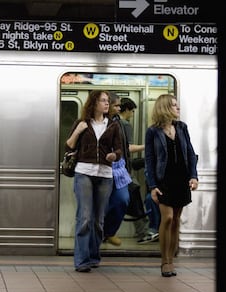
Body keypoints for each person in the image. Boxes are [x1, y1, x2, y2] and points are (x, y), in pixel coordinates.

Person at [65, 90, 122, 272]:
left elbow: (120, 150)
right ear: (94, 103)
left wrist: (114, 155)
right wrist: (79, 131)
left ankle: (93, 256)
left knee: (98, 220)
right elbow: (69, 145)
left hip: (105, 174)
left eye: (108, 101)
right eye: (103, 101)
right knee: (85, 217)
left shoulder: (113, 126)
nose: (107, 104)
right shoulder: (82, 123)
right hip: (84, 173)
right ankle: (81, 261)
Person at [144, 94, 198, 277]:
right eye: (174, 105)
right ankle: (164, 261)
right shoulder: (152, 131)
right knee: (166, 218)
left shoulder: (182, 127)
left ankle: (171, 261)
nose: (178, 108)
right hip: (163, 180)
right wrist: (152, 185)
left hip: (181, 179)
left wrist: (193, 176)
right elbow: (150, 160)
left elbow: (190, 153)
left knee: (175, 220)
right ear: (165, 107)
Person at [119, 97, 159, 244]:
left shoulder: (113, 123)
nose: (133, 114)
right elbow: (128, 148)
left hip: (117, 168)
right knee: (135, 197)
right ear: (127, 110)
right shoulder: (125, 124)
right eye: (132, 111)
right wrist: (146, 146)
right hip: (123, 170)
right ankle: (143, 231)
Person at [103, 94, 130, 247]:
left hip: (119, 169)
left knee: (122, 199)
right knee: (102, 206)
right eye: (116, 106)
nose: (119, 109)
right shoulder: (98, 122)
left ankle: (109, 231)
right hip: (103, 169)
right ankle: (100, 234)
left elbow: (124, 148)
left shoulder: (119, 123)